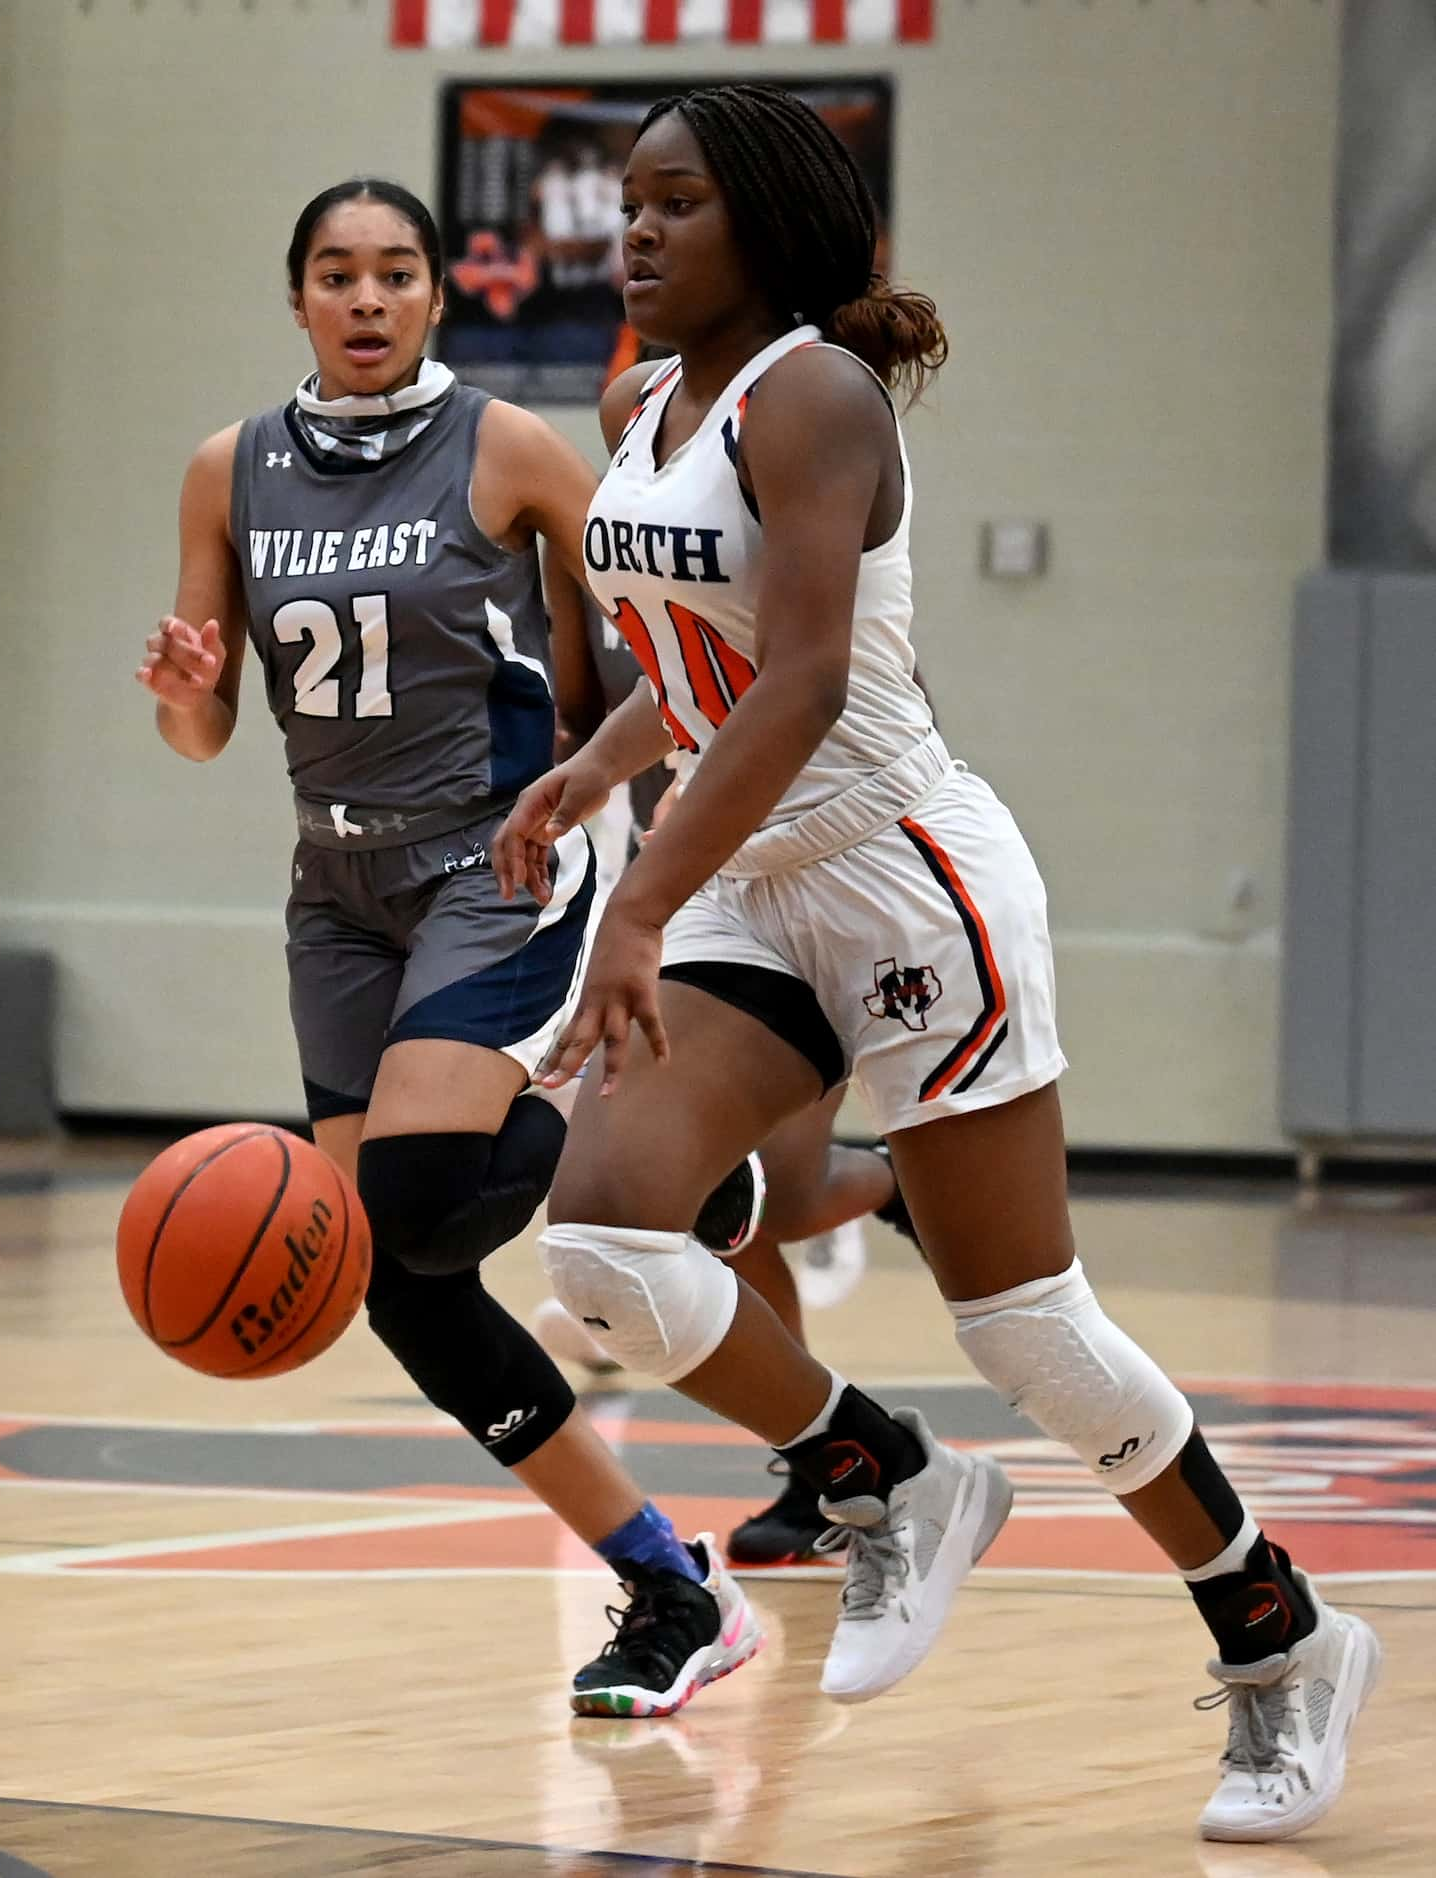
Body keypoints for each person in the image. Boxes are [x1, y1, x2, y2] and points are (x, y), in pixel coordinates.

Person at [493, 86, 1380, 1839]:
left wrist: (640, 895)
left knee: (1026, 1326)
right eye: (629, 201)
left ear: (766, 223)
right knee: (597, 1238)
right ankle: (876, 1468)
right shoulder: (633, 401)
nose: (635, 229)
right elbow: (699, 662)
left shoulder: (812, 392)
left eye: (674, 203)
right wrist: (597, 768)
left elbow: (807, 675)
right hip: (750, 881)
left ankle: (1279, 1637)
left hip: (904, 886)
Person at [133, 175, 762, 1719]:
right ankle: (671, 1582)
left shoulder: (510, 447)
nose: (364, 298)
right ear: (297, 299)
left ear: (436, 296)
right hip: (334, 890)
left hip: (503, 851)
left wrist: (645, 851)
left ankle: (640, 1127)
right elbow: (207, 729)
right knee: (399, 1279)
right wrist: (180, 683)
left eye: (394, 273)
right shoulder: (229, 470)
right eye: (336, 274)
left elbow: (618, 660)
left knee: (414, 1194)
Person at [534, 563, 920, 1567]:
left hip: (801, 897)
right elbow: (598, 724)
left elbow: (863, 716)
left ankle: (894, 1177)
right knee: (721, 1209)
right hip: (664, 903)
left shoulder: (785, 561)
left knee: (779, 1200)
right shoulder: (598, 566)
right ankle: (815, 1464)